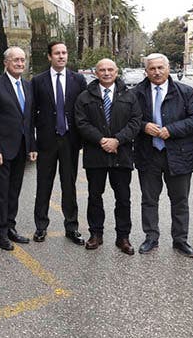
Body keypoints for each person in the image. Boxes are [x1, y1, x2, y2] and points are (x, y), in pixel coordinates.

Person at [133, 53, 193, 257]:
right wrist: (143, 126)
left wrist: (171, 130)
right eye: (152, 69)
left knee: (180, 200)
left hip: (179, 155)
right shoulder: (137, 93)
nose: (156, 72)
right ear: (146, 71)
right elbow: (127, 119)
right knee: (149, 199)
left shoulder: (185, 92)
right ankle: (151, 238)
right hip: (148, 154)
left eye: (160, 68)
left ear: (168, 68)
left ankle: (180, 240)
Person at [75, 58, 142, 254]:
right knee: (95, 196)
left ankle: (123, 237)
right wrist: (102, 140)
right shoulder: (84, 97)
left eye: (110, 69)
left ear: (116, 71)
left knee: (123, 198)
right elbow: (81, 123)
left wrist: (117, 140)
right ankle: (96, 234)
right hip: (95, 155)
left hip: (122, 155)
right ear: (95, 73)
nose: (106, 73)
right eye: (102, 70)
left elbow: (135, 121)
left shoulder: (129, 95)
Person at [31, 41, 88, 245]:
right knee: (43, 185)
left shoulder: (78, 79)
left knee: (69, 185)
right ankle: (40, 226)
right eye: (57, 53)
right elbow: (30, 113)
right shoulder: (37, 81)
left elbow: (84, 110)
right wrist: (32, 144)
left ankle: (71, 227)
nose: (61, 56)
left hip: (70, 141)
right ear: (49, 57)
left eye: (64, 53)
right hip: (46, 141)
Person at [0, 46, 37, 251]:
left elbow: (29, 119)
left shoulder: (27, 85)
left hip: (21, 148)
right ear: (6, 62)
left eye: (23, 60)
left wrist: (32, 145)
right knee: (0, 193)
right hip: (2, 151)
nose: (20, 64)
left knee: (14, 192)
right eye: (16, 60)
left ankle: (10, 228)